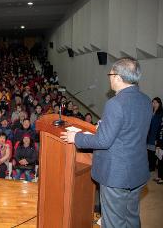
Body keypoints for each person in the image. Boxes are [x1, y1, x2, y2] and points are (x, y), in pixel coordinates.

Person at [61, 58, 152, 228]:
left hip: (116, 175)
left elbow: (104, 141)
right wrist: (102, 127)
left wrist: (77, 138)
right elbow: (129, 131)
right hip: (137, 171)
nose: (109, 78)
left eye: (110, 74)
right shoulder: (145, 100)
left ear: (118, 77)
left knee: (113, 222)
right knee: (131, 218)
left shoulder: (115, 103)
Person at [147, 97, 163, 172]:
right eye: (153, 102)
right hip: (150, 134)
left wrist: (157, 138)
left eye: (155, 102)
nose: (154, 104)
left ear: (159, 103)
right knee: (149, 151)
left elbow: (160, 126)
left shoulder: (161, 113)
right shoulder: (151, 112)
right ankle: (151, 166)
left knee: (154, 152)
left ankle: (152, 167)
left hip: (156, 134)